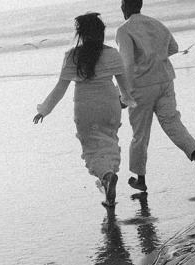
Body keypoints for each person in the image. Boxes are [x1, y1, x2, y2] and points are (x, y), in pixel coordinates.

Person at [34, 12, 136, 208]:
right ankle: (109, 180)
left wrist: (44, 110)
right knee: (110, 143)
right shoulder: (112, 54)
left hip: (85, 106)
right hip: (109, 104)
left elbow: (60, 89)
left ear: (81, 34)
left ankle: (106, 177)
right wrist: (126, 100)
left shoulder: (72, 56)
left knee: (91, 149)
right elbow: (124, 85)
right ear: (101, 33)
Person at [116, 0, 195, 192]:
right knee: (172, 122)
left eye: (122, 4)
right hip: (165, 79)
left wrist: (124, 94)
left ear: (125, 5)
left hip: (142, 86)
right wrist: (155, 56)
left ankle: (140, 179)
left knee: (140, 133)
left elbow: (127, 64)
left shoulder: (124, 30)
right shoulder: (156, 24)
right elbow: (173, 47)